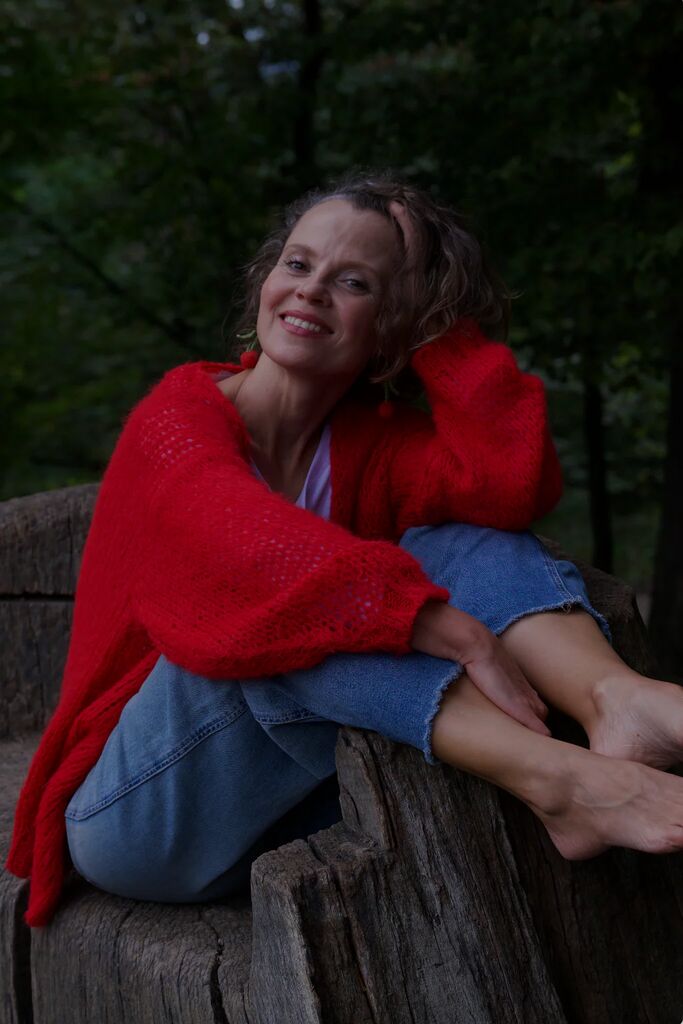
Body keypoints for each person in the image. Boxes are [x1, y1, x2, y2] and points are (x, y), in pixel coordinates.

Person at [6, 172, 683, 929]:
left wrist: (441, 329)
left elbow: (504, 485)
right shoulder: (174, 424)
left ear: (393, 324)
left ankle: (615, 697)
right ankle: (564, 782)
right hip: (138, 816)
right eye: (297, 264)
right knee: (284, 616)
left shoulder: (370, 449)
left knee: (464, 538)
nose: (311, 289)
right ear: (265, 282)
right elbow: (246, 554)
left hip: (304, 803)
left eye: (354, 281)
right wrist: (445, 627)